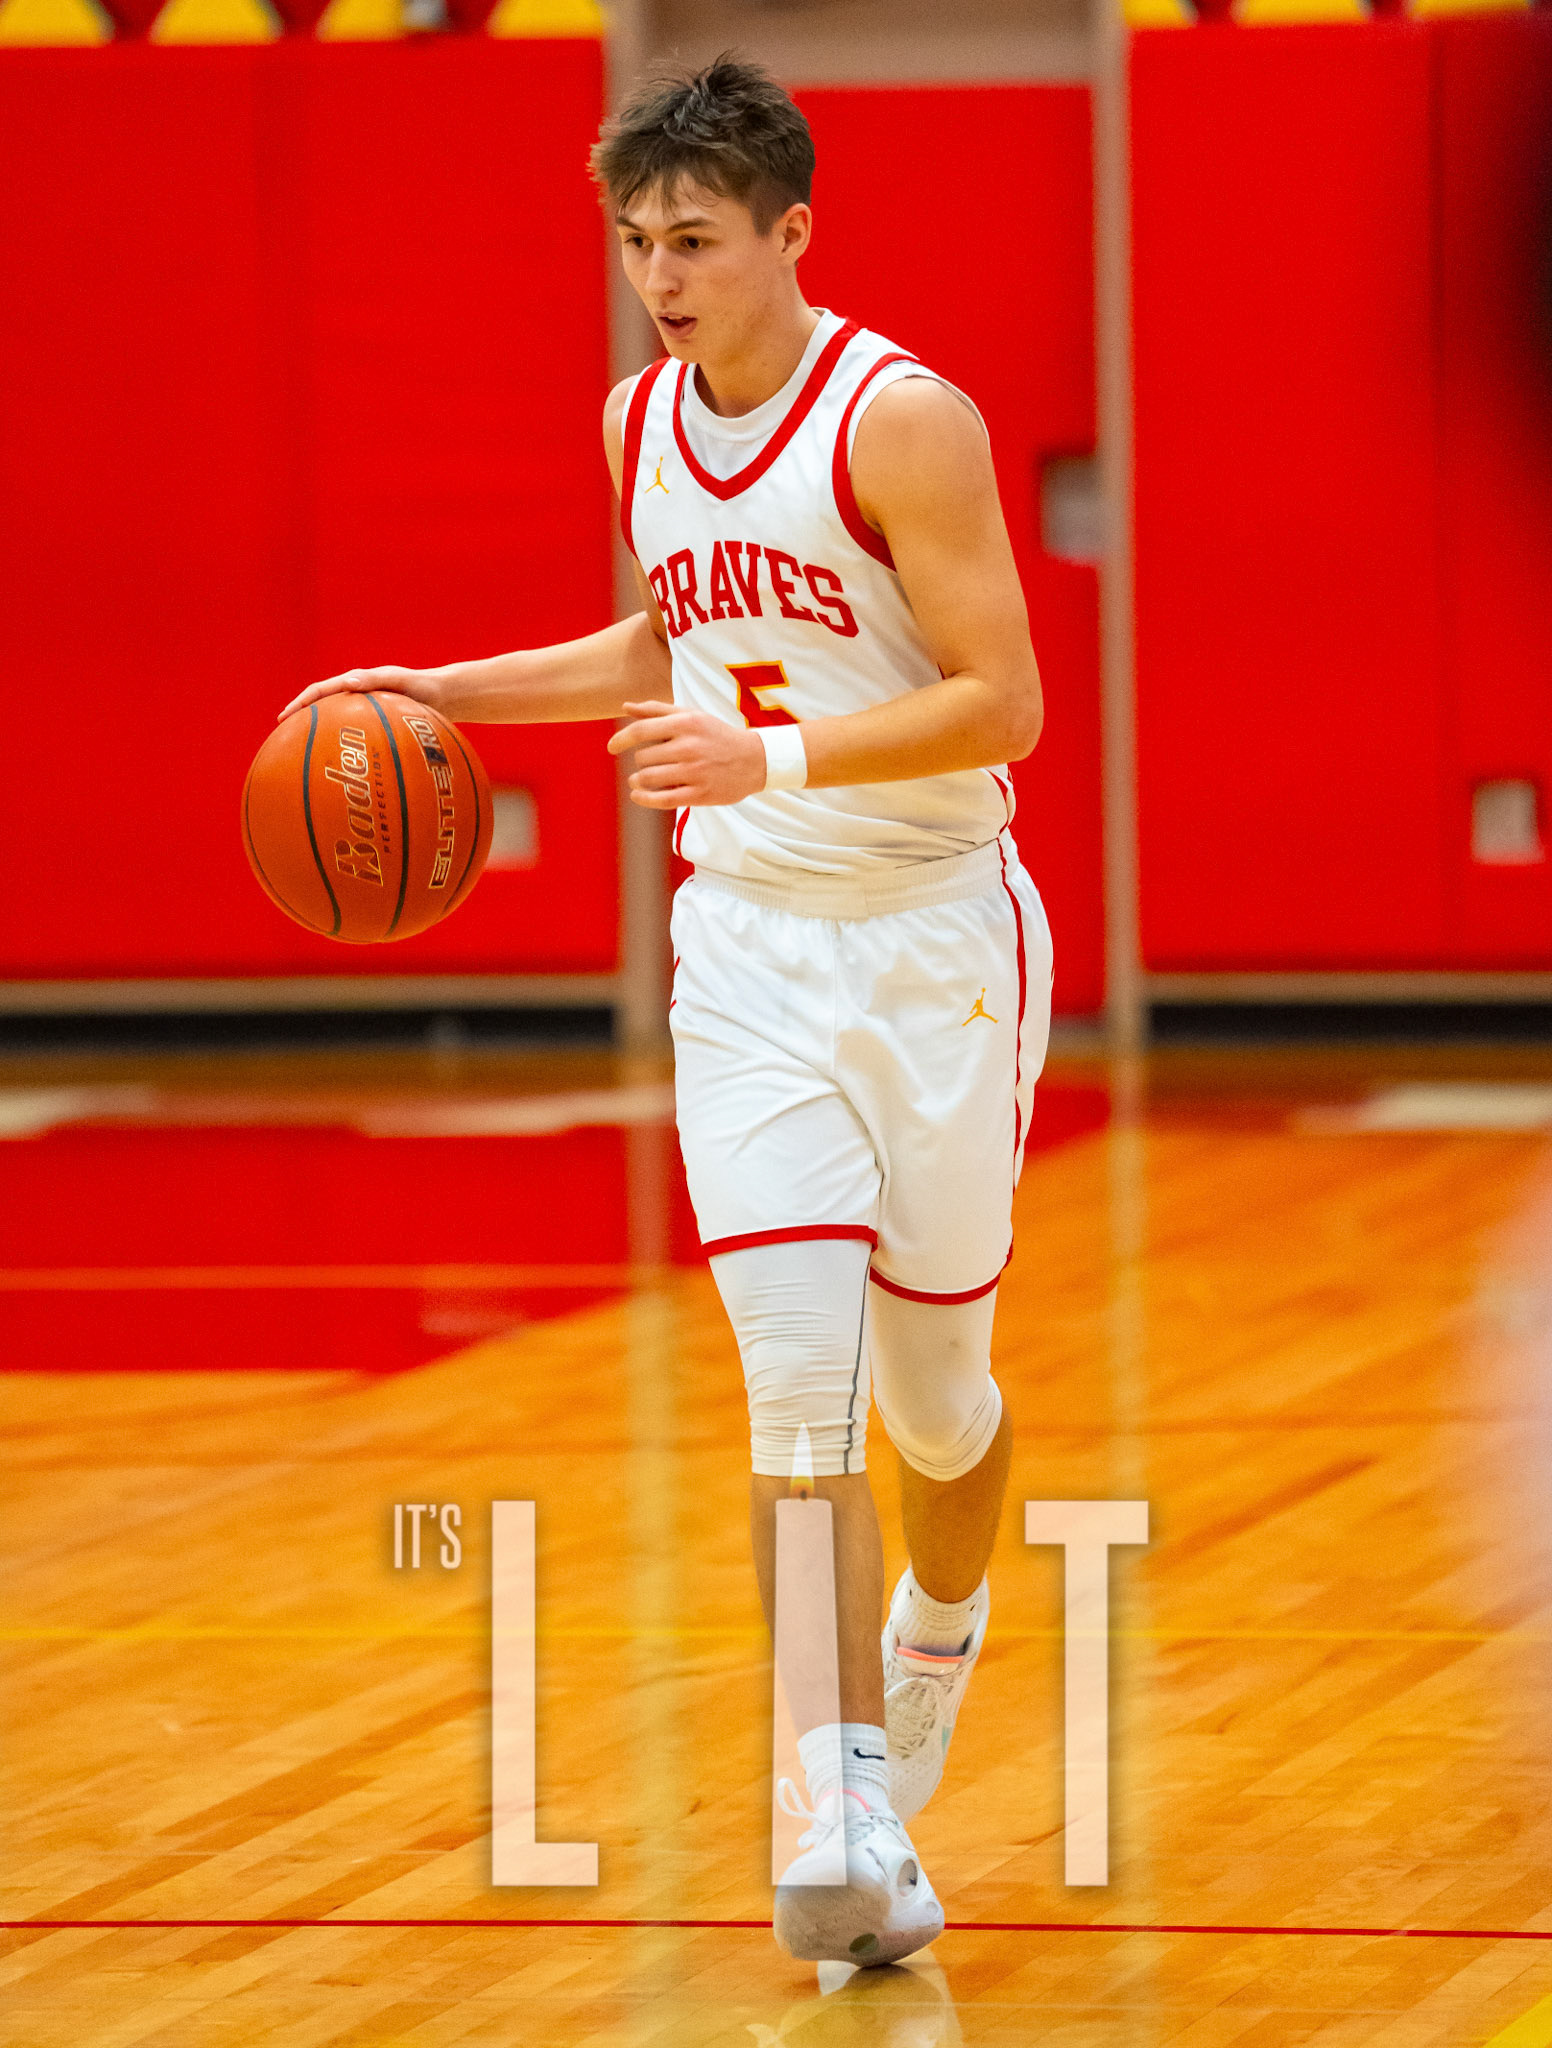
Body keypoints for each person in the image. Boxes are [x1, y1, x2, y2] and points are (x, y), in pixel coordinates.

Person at [280, 55, 1052, 1971]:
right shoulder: (635, 416)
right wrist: (442, 690)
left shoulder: (903, 419)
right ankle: (838, 1807)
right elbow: (671, 638)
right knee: (795, 1383)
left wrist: (762, 753)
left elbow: (1005, 699)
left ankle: (934, 1641)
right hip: (751, 952)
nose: (660, 276)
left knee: (936, 1402)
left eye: (694, 240)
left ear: (793, 232)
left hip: (934, 939)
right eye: (636, 241)